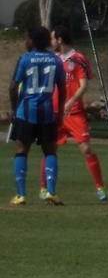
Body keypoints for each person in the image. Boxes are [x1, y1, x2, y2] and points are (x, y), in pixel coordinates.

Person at [40, 28, 106, 202]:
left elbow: (83, 85)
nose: (51, 42)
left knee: (86, 149)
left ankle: (100, 188)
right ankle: (43, 188)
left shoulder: (78, 59)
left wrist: (70, 102)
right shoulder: (51, 59)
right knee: (50, 149)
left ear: (60, 40)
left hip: (74, 113)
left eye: (53, 38)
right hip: (54, 113)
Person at [10, 26, 66, 206]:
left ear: (32, 41)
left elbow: (13, 87)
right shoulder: (55, 61)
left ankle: (21, 195)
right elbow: (62, 88)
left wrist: (14, 109)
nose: (25, 41)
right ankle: (51, 191)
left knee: (21, 150)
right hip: (48, 112)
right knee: (50, 151)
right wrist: (60, 112)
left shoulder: (25, 59)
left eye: (27, 38)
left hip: (26, 112)